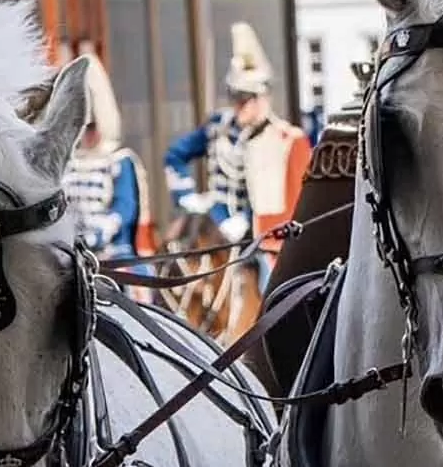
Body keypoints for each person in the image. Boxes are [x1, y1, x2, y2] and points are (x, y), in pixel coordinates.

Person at [163, 24, 312, 281]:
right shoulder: (217, 127)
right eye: (236, 97)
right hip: (214, 228)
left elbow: (299, 202)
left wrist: (248, 222)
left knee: (272, 289)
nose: (239, 105)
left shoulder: (287, 139)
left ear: (262, 98)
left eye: (246, 98)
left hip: (258, 240)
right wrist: (187, 196)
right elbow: (175, 155)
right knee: (172, 276)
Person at [66, 50, 155, 267]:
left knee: (138, 292)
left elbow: (125, 207)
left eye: (92, 126)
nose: (87, 134)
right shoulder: (66, 163)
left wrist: (99, 234)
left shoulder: (119, 161)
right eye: (83, 127)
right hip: (70, 251)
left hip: (113, 252)